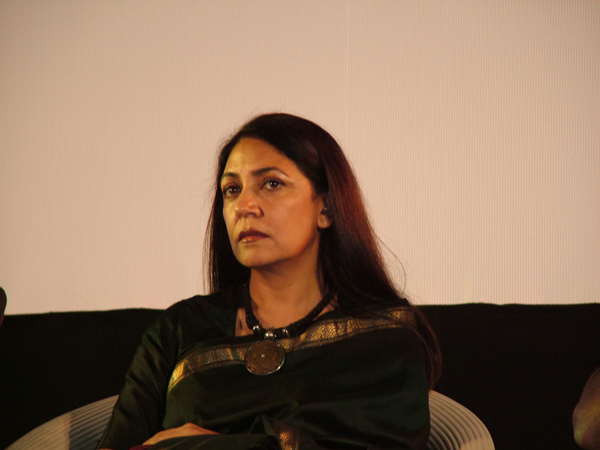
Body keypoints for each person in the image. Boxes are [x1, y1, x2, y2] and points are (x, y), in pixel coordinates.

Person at [97, 113, 441, 450]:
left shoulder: (385, 336)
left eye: (272, 184)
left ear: (326, 208)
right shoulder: (178, 329)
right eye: (232, 189)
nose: (244, 205)